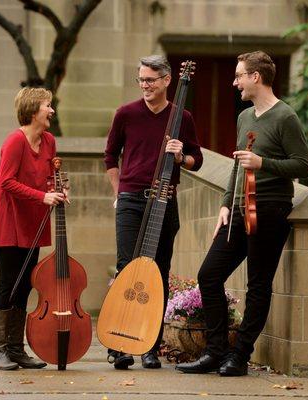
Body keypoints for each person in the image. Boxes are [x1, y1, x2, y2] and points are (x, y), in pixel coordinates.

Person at [175, 51, 308, 376]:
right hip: (237, 209)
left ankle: (239, 356)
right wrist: (225, 202)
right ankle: (214, 352)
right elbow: (237, 164)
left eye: (239, 76)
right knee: (209, 275)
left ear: (256, 77)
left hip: (270, 208)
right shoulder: (244, 117)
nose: (235, 82)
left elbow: (303, 165)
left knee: (258, 285)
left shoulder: (285, 117)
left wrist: (264, 164)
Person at [104, 55, 203, 370]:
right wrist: (118, 193)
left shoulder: (182, 118)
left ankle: (149, 346)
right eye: (141, 79)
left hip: (165, 199)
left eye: (150, 79)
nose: (145, 85)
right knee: (127, 269)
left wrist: (181, 156)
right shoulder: (126, 114)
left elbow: (197, 160)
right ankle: (119, 346)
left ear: (166, 80)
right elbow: (110, 156)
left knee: (158, 274)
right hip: (132, 199)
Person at [0, 87, 68, 371]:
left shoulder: (49, 141)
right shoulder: (15, 142)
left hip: (32, 221)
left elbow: (48, 178)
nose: (52, 111)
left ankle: (16, 350)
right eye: (47, 106)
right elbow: (5, 181)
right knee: (8, 283)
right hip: (7, 220)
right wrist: (42, 196)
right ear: (32, 111)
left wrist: (59, 190)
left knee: (26, 283)